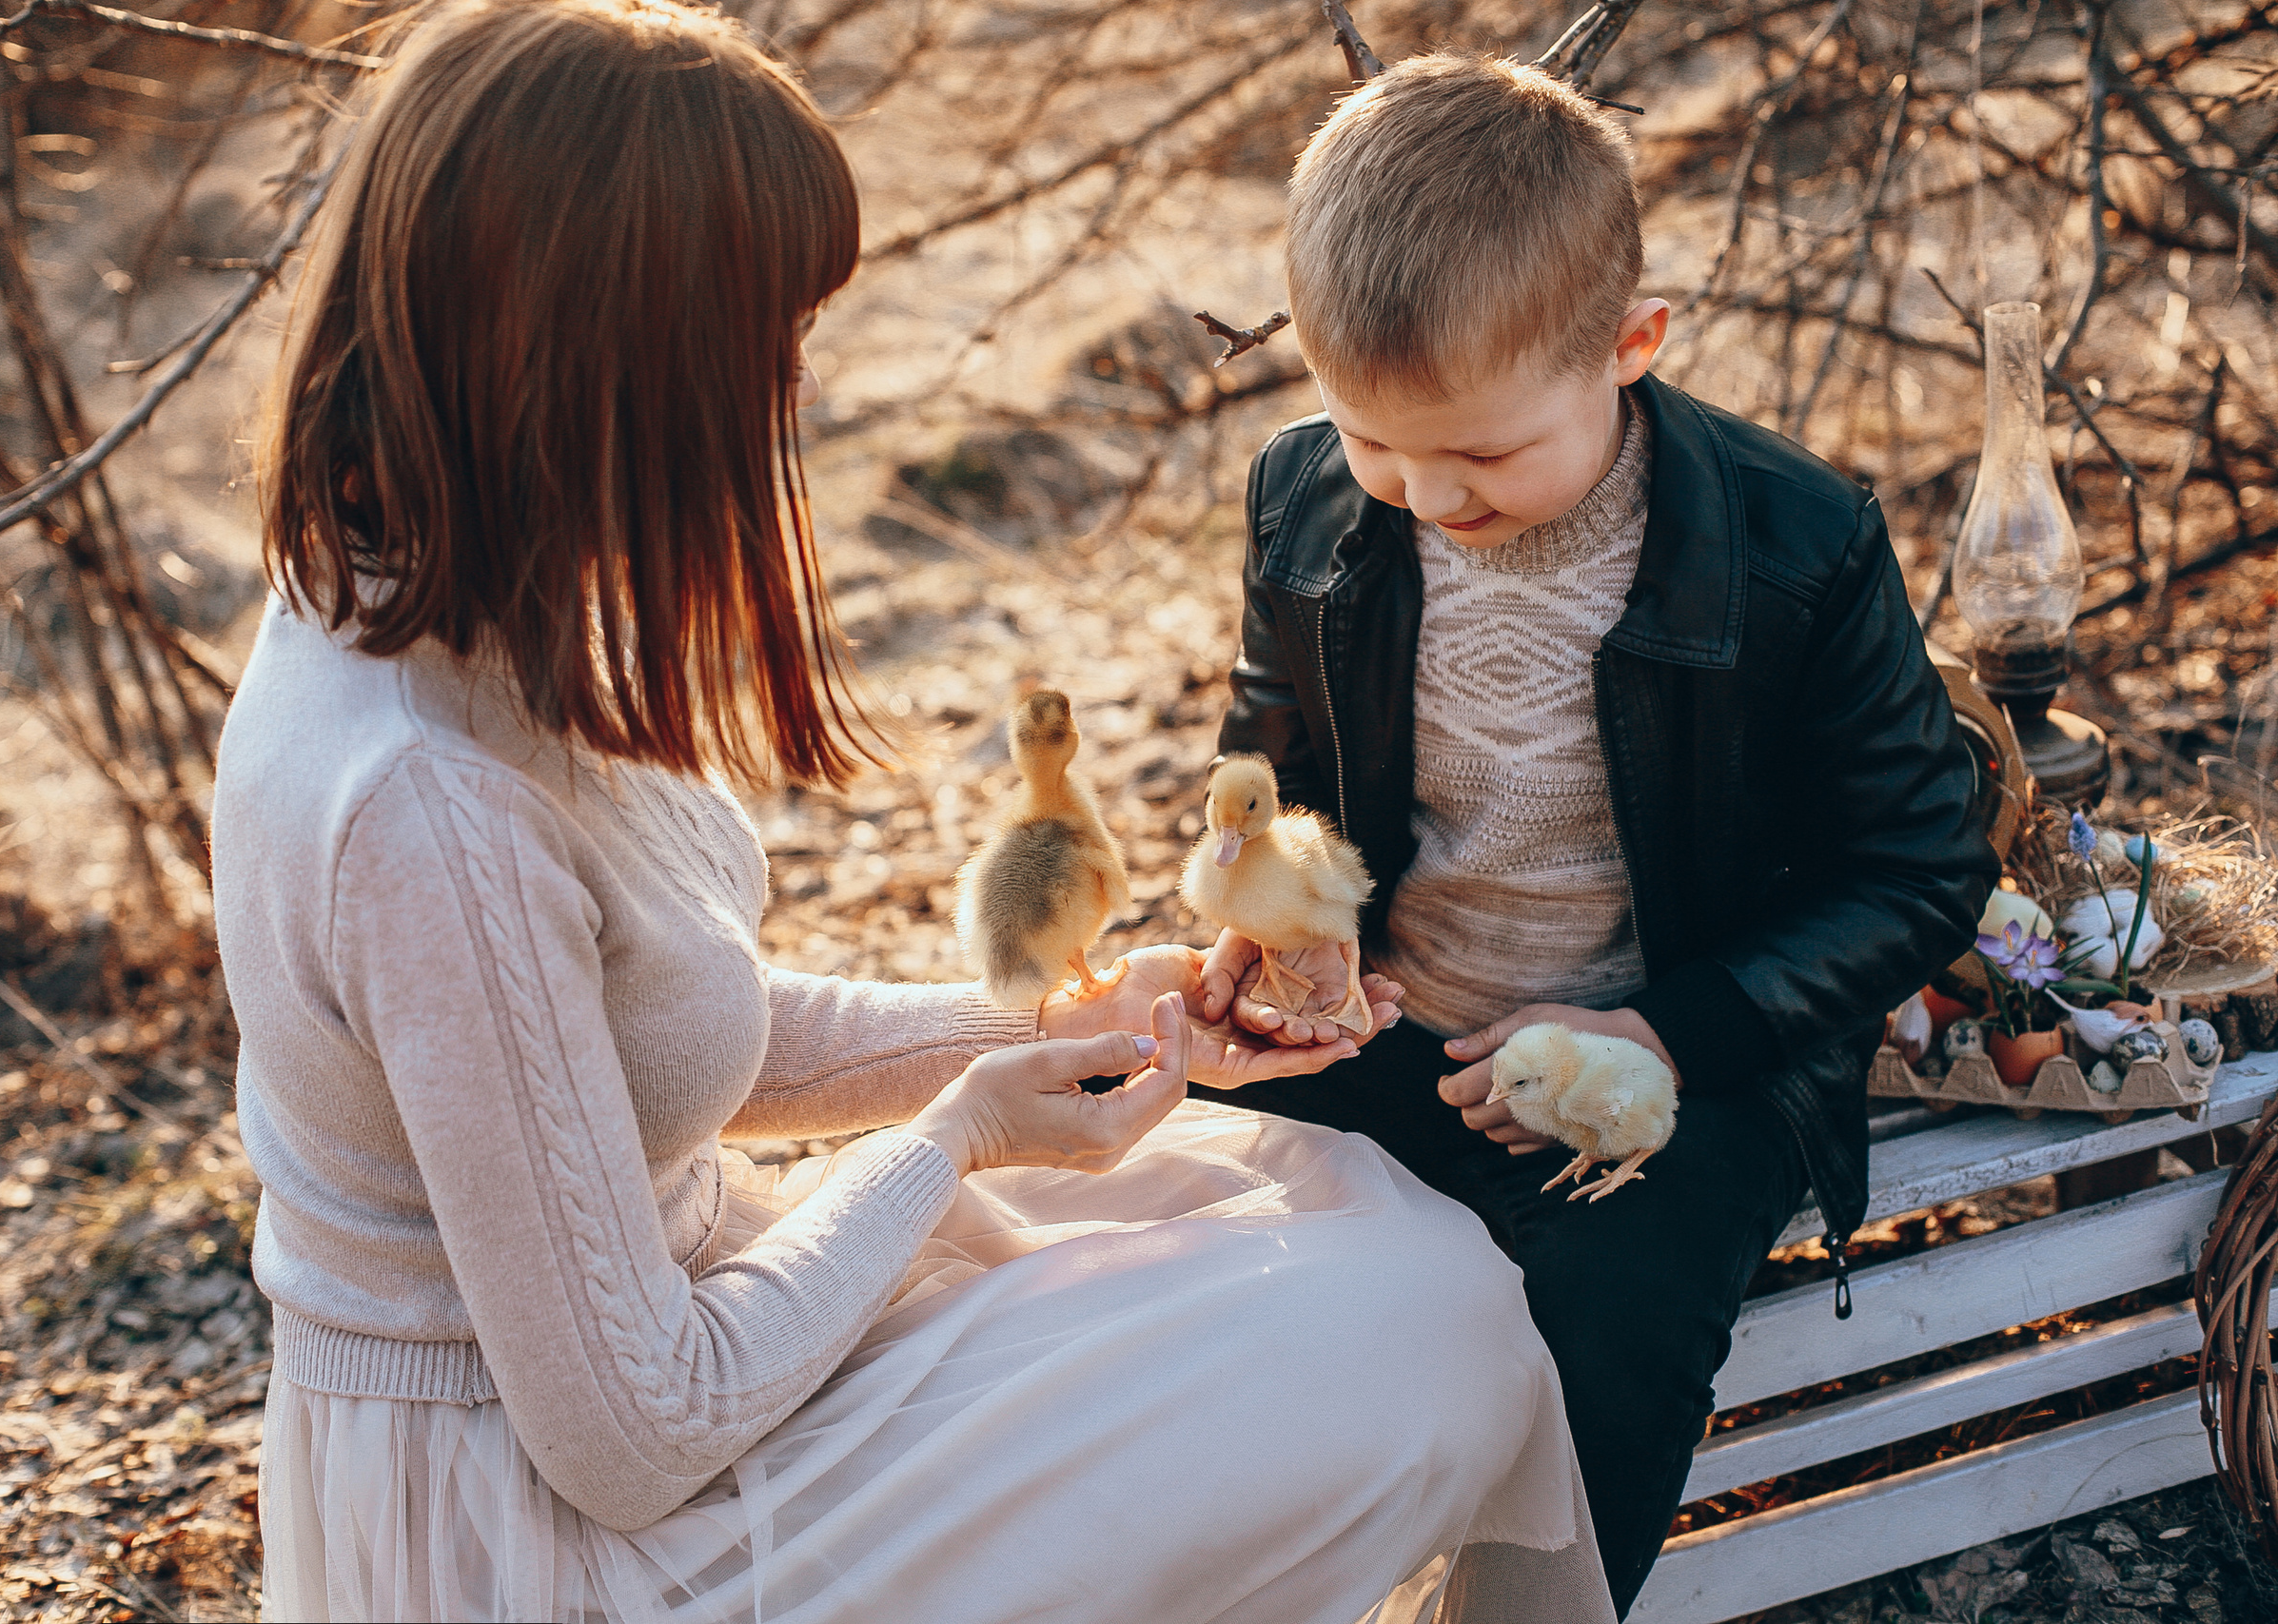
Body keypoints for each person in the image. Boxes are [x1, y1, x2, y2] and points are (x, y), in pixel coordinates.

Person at [214, 5, 1617, 1620]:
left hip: (677, 1339)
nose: (797, 383)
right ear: (609, 352)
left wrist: (1065, 1014)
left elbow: (641, 1043)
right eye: (769, 335)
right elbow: (634, 1429)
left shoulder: (465, 596)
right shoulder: (424, 804)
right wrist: (960, 1139)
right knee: (1396, 1336)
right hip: (559, 1526)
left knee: (1376, 1249)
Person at [1188, 50, 1999, 1618]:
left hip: (1689, 1056)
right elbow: (1270, 750)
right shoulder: (1303, 498)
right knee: (1199, 1248)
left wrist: (1669, 1031)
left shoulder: (1795, 544)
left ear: (1631, 346)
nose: (1426, 497)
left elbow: (1917, 867)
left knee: (1596, 1317)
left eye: (1483, 456)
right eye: (1377, 444)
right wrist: (1277, 917)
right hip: (1400, 1021)